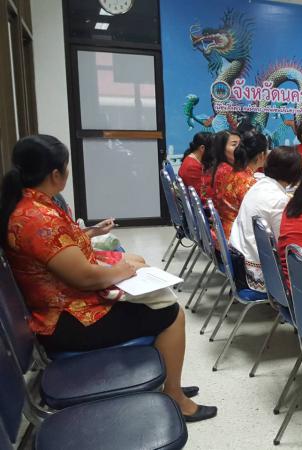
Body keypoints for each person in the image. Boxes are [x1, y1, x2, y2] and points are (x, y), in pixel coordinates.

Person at [0, 135, 216, 422]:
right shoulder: (39, 219)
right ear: (55, 174)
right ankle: (175, 396)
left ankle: (168, 377)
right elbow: (85, 278)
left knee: (141, 274)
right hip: (68, 320)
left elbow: (61, 249)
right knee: (170, 313)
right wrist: (123, 270)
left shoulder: (33, 205)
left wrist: (95, 238)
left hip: (64, 306)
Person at [229, 146, 302, 292]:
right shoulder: (279, 200)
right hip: (254, 273)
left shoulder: (259, 184)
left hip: (238, 257)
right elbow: (282, 242)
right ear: (296, 173)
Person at [218, 132, 268, 238]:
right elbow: (259, 216)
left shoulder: (232, 173)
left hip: (222, 231)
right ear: (261, 155)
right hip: (236, 237)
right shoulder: (249, 183)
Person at [202, 130, 240, 207]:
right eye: (234, 145)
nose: (240, 148)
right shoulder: (227, 171)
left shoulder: (221, 166)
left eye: (241, 145)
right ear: (222, 149)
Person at [178, 132, 212, 199]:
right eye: (213, 149)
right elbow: (200, 196)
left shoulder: (192, 159)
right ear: (202, 148)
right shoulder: (192, 167)